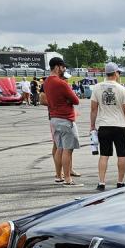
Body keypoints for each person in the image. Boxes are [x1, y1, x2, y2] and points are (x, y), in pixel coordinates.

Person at [89, 62, 125, 191]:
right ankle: (120, 182)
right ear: (115, 73)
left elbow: (93, 109)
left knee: (104, 155)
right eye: (118, 72)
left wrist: (92, 126)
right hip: (120, 126)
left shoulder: (97, 88)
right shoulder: (121, 89)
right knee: (121, 155)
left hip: (104, 125)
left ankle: (101, 182)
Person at [42, 56, 81, 185]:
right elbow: (76, 100)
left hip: (54, 118)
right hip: (65, 118)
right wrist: (67, 100)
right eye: (63, 67)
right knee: (68, 150)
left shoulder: (47, 81)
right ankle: (68, 178)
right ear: (57, 67)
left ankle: (59, 176)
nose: (64, 69)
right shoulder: (61, 83)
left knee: (59, 148)